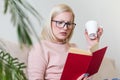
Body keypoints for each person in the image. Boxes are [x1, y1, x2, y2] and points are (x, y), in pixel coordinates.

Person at [27, 3, 103, 80]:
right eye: (60, 22)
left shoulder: (74, 47)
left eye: (69, 23)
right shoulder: (40, 48)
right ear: (50, 23)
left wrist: (93, 44)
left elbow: (87, 76)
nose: (65, 27)